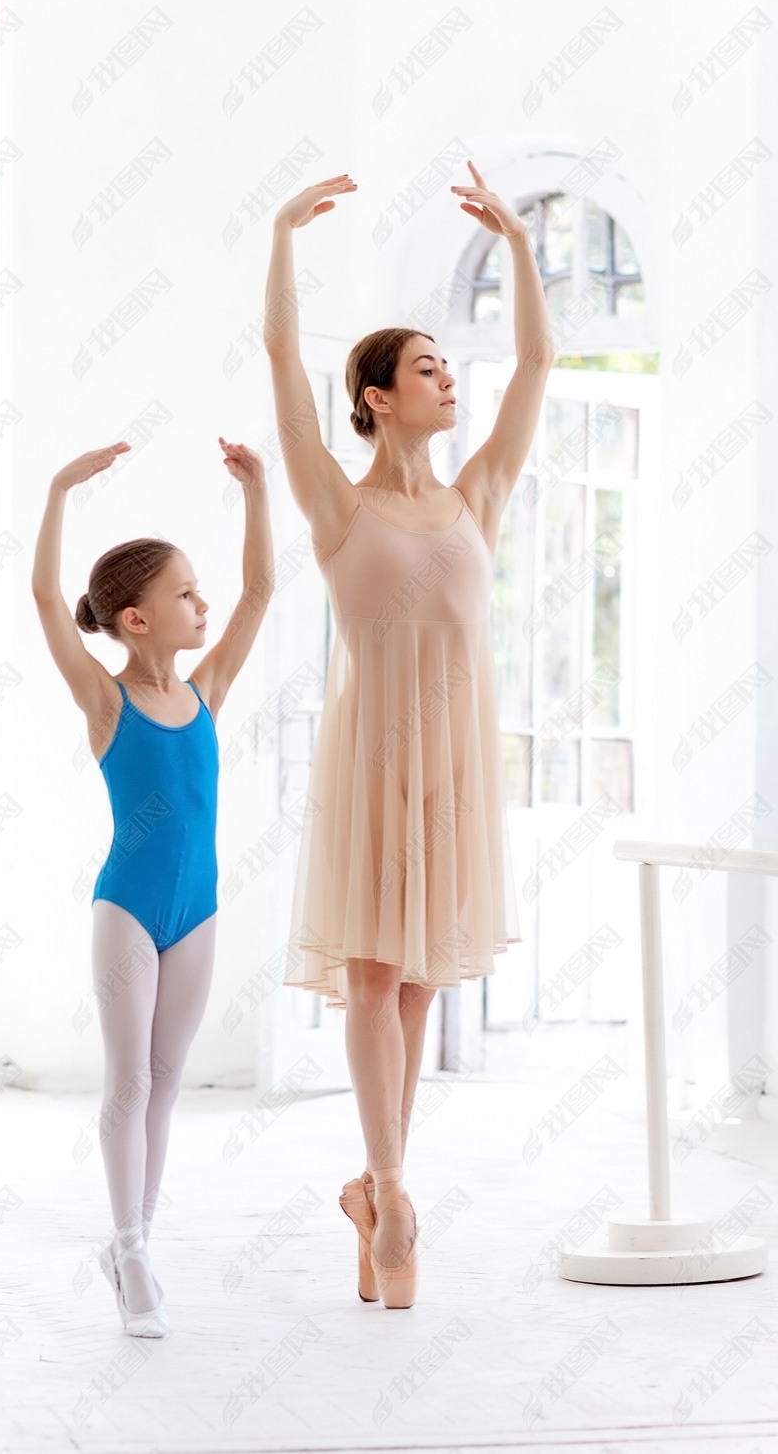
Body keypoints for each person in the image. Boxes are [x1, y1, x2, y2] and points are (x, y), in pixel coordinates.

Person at [264, 161, 553, 1308]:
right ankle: (391, 1188)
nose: (447, 377)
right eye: (424, 365)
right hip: (371, 755)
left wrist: (523, 254)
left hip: (455, 763)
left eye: (444, 362)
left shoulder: (476, 494)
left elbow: (534, 363)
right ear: (377, 396)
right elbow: (285, 372)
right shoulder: (339, 503)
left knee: (423, 983)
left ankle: (376, 1193)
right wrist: (284, 240)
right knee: (375, 976)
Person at [31, 436, 274, 1337]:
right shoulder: (107, 703)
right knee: (127, 1083)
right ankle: (130, 1257)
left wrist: (257, 492)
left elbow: (258, 595)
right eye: (182, 593)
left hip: (199, 911)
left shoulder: (207, 690)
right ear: (134, 620)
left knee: (167, 1082)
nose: (201, 603)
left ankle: (138, 1237)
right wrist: (60, 487)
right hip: (127, 907)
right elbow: (48, 601)